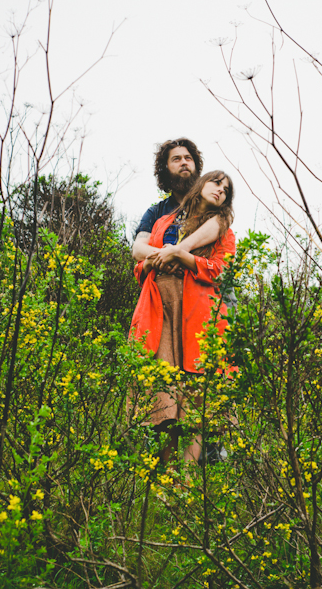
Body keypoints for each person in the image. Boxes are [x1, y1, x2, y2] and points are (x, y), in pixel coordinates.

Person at [129, 171, 235, 465]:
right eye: (216, 183)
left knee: (196, 401)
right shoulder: (163, 221)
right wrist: (158, 259)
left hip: (200, 318)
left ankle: (187, 483)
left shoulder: (223, 229)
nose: (220, 190)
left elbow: (219, 270)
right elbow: (139, 267)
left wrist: (181, 257)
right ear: (201, 185)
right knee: (163, 396)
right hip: (159, 311)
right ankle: (165, 481)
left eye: (226, 190)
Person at [132, 138, 222, 271]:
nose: (184, 162)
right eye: (176, 159)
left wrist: (177, 253)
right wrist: (167, 256)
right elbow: (138, 250)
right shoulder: (156, 212)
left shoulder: (212, 204)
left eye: (188, 158)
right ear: (166, 168)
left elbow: (224, 220)